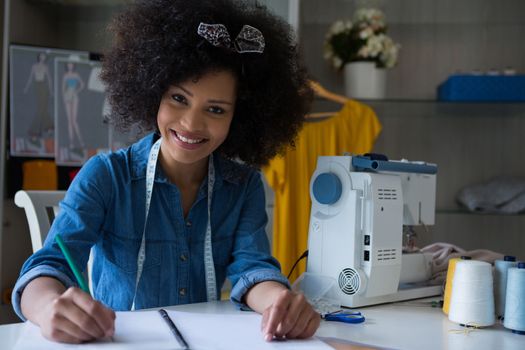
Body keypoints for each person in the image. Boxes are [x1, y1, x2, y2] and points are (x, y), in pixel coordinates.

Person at [13, 0, 318, 344]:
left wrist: (278, 300)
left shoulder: (243, 186)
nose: (191, 123)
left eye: (215, 109)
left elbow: (252, 269)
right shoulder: (106, 177)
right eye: (179, 98)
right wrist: (48, 305)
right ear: (153, 91)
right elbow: (47, 268)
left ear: (240, 118)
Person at [23, 52, 54, 141]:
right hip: (37, 87)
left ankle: (35, 132)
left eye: (44, 56)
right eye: (41, 55)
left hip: (44, 87)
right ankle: (49, 128)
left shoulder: (46, 67)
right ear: (39, 57)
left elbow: (49, 79)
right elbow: (30, 77)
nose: (43, 57)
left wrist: (51, 91)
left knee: (41, 109)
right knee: (41, 109)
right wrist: (26, 88)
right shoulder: (34, 66)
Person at [62, 62, 86, 152]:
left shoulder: (76, 74)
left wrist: (77, 91)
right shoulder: (65, 75)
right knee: (69, 121)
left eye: (71, 64)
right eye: (69, 64)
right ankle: (71, 143)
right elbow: (63, 88)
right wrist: (64, 98)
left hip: (74, 96)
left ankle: (81, 141)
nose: (70, 66)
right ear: (67, 65)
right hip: (68, 96)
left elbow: (82, 84)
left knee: (74, 120)